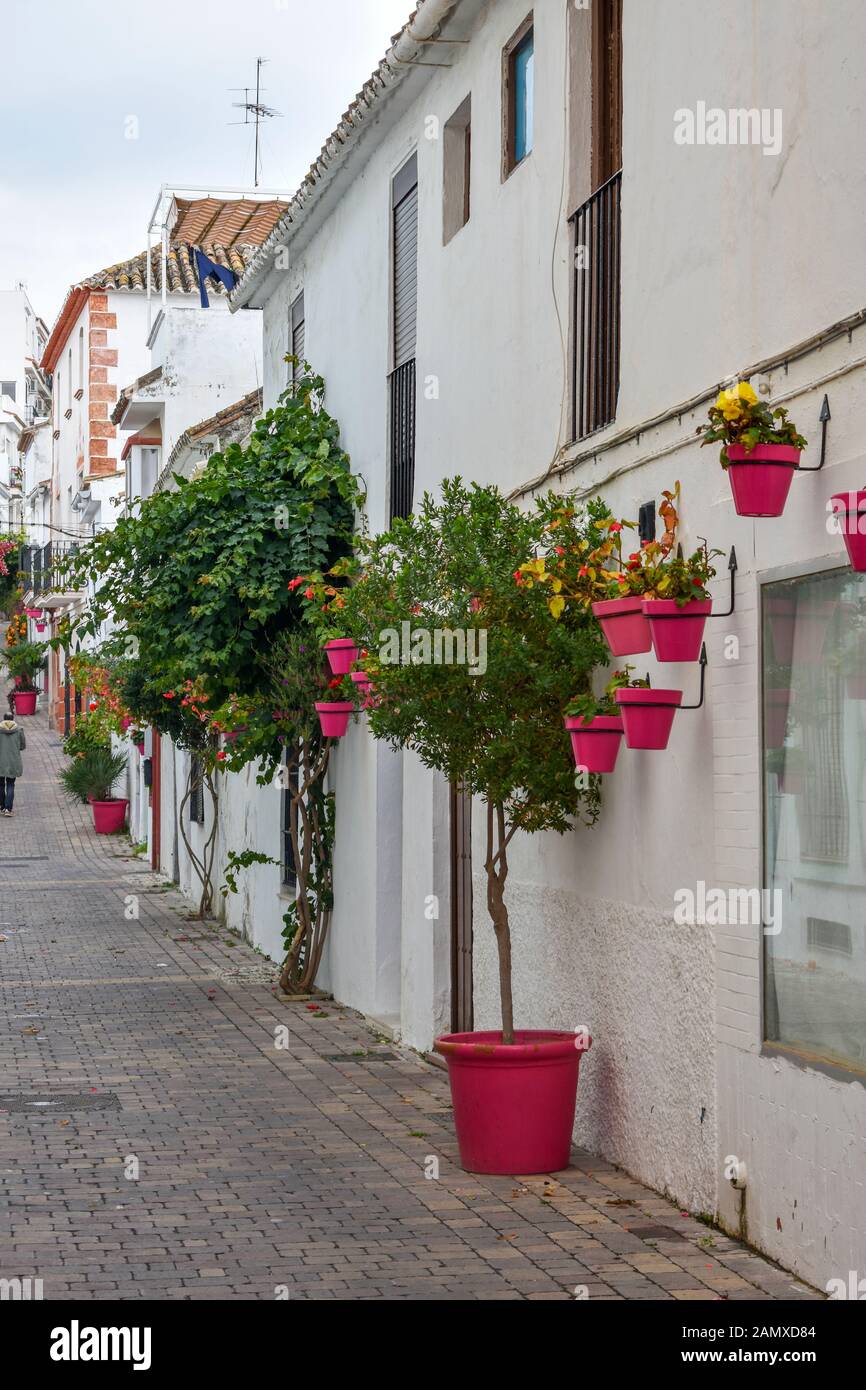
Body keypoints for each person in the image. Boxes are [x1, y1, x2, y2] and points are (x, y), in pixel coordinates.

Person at [0, 713, 26, 816]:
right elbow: (22, 746)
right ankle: (8, 809)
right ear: (13, 719)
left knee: (0, 784)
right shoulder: (19, 730)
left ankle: (2, 806)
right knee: (11, 784)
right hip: (13, 762)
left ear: (4, 719)